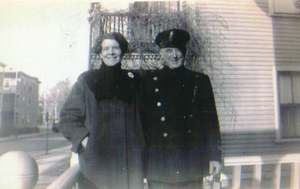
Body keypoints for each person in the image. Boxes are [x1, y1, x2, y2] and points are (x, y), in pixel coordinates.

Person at [58, 32, 145, 189]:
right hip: (97, 164)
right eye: (106, 49)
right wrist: (85, 140)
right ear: (100, 53)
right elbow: (67, 118)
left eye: (115, 48)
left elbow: (145, 118)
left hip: (130, 165)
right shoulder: (87, 80)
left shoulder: (135, 81)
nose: (111, 53)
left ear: (122, 51)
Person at [140, 29, 222, 189]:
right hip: (160, 165)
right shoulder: (148, 81)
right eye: (168, 51)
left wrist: (214, 156)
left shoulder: (200, 81)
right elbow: (142, 125)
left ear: (184, 51)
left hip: (190, 163)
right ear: (161, 53)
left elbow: (210, 122)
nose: (174, 55)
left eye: (178, 49)